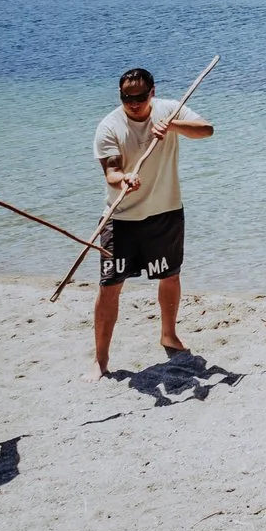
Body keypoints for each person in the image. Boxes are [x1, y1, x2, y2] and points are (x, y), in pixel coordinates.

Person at [90, 66, 213, 378]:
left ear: (152, 93)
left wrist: (172, 126)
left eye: (140, 97)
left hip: (165, 212)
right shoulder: (109, 126)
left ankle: (168, 334)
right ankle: (100, 361)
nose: (133, 103)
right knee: (110, 286)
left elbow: (206, 129)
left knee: (169, 277)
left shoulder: (169, 109)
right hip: (121, 217)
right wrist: (124, 179)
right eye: (126, 97)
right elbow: (111, 171)